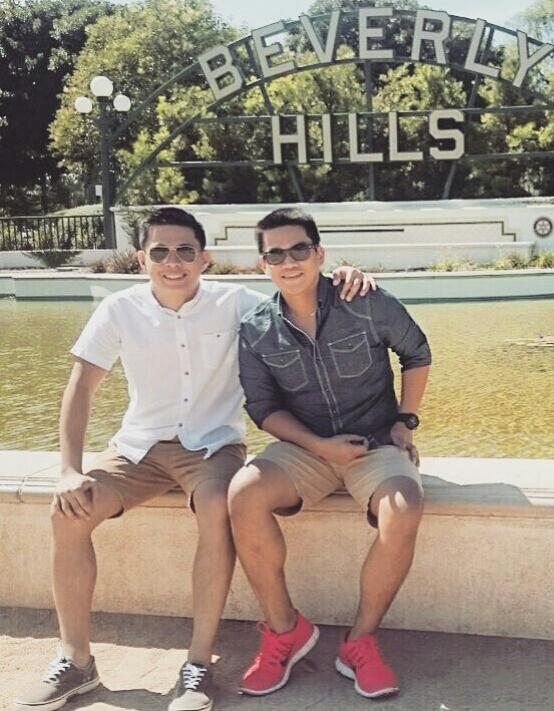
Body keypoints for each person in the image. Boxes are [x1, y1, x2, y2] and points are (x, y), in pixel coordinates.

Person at [14, 207, 374, 711]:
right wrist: (69, 470)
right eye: (160, 251)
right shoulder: (118, 310)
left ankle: (197, 665)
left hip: (212, 447)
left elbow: (299, 294)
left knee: (216, 507)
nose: (173, 262)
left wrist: (345, 276)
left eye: (185, 251)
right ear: (142, 260)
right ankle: (76, 661)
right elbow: (81, 389)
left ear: (204, 258)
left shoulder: (238, 304)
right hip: (138, 448)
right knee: (68, 512)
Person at [228, 207, 431, 699]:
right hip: (307, 447)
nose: (289, 261)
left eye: (299, 249)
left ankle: (359, 643)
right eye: (276, 254)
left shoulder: (364, 300)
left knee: (404, 507)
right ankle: (285, 631)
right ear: (262, 264)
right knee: (243, 495)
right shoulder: (256, 329)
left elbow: (417, 352)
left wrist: (405, 421)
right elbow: (263, 409)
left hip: (374, 443)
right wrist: (319, 447)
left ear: (319, 253)